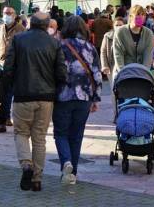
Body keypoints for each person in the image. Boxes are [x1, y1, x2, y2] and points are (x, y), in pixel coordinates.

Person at [5, 12, 67, 192]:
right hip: (46, 98)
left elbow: (8, 68)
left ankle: (26, 165)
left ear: (31, 23)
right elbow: (62, 73)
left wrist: (12, 87)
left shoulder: (18, 39)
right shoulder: (54, 43)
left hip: (23, 95)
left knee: (21, 133)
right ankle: (37, 179)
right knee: (39, 138)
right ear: (46, 25)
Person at [54, 16, 102, 184]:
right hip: (84, 97)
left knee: (61, 133)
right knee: (76, 135)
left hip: (62, 96)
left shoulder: (59, 46)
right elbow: (96, 74)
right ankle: (73, 172)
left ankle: (65, 162)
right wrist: (96, 99)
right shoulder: (90, 47)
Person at [0, 6, 25, 134]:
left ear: (15, 15)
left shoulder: (21, 30)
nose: (7, 15)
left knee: (17, 95)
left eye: (9, 13)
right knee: (2, 96)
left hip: (17, 67)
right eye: (5, 13)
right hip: (1, 67)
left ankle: (18, 121)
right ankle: (2, 122)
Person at [112, 4, 154, 77]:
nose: (141, 17)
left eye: (143, 15)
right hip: (123, 72)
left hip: (142, 73)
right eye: (138, 14)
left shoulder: (148, 34)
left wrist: (143, 74)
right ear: (131, 16)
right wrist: (123, 74)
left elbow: (148, 56)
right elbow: (118, 55)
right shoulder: (120, 32)